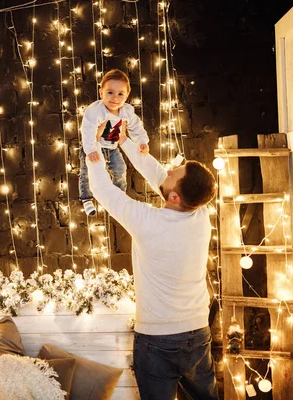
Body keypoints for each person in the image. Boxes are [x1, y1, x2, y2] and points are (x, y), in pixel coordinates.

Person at [86, 122, 219, 400]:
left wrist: (93, 148)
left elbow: (103, 190)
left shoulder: (146, 221)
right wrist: (122, 140)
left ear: (173, 197)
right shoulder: (200, 213)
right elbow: (157, 173)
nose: (168, 170)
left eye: (174, 173)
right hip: (197, 333)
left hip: (157, 341)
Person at [79, 69, 149, 216]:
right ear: (101, 93)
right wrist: (91, 150)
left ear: (126, 96)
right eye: (110, 92)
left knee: (120, 169)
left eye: (120, 94)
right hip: (94, 147)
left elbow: (136, 126)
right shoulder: (95, 110)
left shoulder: (126, 111)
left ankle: (118, 198)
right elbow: (88, 130)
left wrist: (142, 141)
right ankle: (86, 198)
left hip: (112, 147)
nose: (115, 98)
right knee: (87, 172)